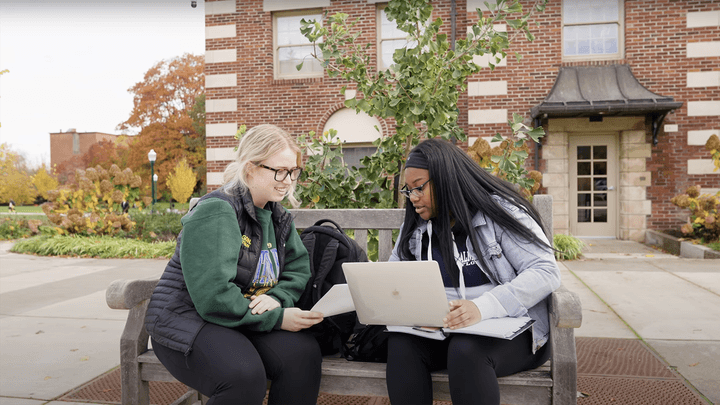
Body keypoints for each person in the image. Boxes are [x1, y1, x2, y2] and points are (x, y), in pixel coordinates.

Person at [145, 124, 324, 405]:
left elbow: (297, 268)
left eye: (293, 171)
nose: (287, 180)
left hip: (238, 318)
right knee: (243, 375)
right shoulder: (217, 211)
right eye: (279, 170)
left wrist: (277, 299)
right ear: (250, 169)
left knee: (303, 354)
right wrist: (276, 319)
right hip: (187, 319)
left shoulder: (278, 216)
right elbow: (213, 296)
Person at [386, 139, 561, 405]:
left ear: (446, 178)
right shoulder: (416, 226)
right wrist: (418, 312)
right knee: (402, 346)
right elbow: (393, 277)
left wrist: (482, 308)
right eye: (408, 190)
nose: (413, 198)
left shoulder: (500, 212)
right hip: (444, 330)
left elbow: (545, 271)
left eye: (419, 187)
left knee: (466, 350)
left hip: (513, 331)